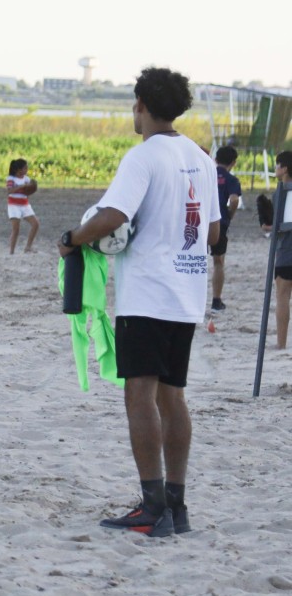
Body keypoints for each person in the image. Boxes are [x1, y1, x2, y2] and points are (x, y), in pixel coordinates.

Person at [56, 67, 219, 538]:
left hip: (147, 294)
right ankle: (177, 507)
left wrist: (72, 237)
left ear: (142, 105)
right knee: (173, 397)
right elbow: (211, 233)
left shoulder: (142, 157)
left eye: (134, 104)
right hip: (187, 296)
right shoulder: (201, 159)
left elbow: (113, 216)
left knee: (139, 396)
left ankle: (150, 507)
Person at [259, 150, 292, 349]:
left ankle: (281, 343)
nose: (276, 168)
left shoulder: (282, 192)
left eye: (278, 164)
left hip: (287, 251)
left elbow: (282, 225)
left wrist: (267, 226)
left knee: (282, 295)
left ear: (285, 168)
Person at [210, 145, 242, 312]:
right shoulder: (232, 180)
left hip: (199, 221)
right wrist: (230, 214)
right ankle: (216, 300)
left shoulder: (207, 175)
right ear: (233, 163)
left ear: (215, 159)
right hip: (219, 221)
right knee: (218, 261)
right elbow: (234, 200)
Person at [6, 158, 39, 254]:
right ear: (18, 170)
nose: (26, 170)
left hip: (25, 205)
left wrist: (31, 188)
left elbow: (27, 193)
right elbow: (9, 191)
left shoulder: (27, 179)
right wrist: (21, 186)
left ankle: (28, 247)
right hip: (14, 206)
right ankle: (11, 250)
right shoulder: (11, 179)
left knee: (35, 224)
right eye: (25, 168)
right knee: (16, 229)